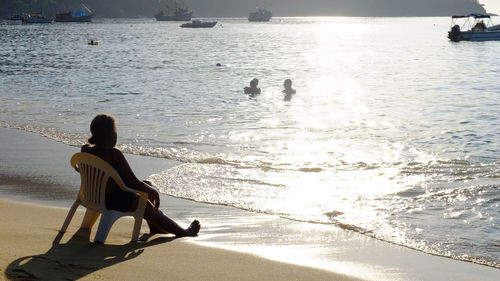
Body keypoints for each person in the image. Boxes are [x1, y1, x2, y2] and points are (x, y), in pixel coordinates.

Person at [81, 114, 200, 237]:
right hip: (113, 201)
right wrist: (154, 192)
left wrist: (147, 187)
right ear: (111, 135)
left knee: (146, 185)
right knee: (152, 207)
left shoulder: (85, 150)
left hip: (92, 195)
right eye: (115, 132)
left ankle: (155, 227)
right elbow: (131, 181)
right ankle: (185, 232)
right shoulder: (113, 154)